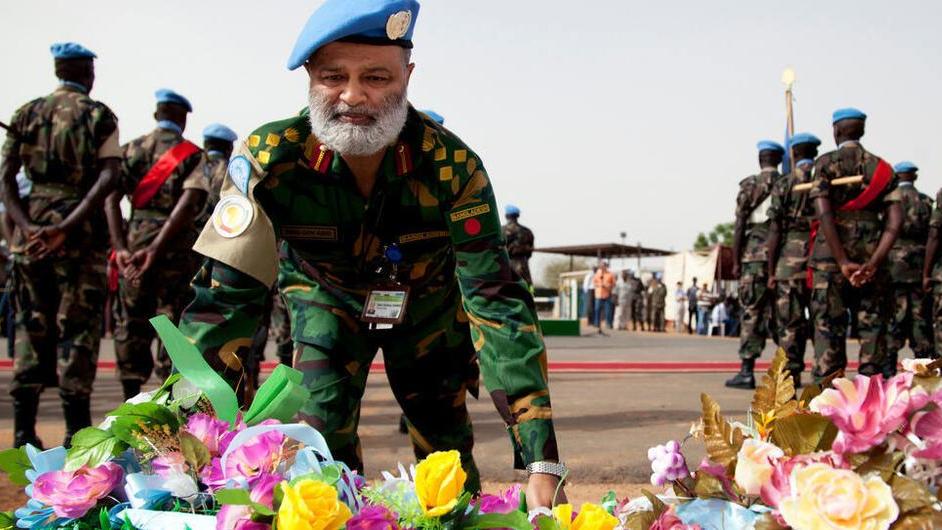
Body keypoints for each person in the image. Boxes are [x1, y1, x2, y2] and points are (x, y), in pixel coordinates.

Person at [177, 0, 564, 506]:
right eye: (333, 76)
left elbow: (496, 304)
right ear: (310, 76)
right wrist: (188, 434)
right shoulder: (271, 160)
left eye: (377, 78)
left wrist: (539, 459)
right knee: (320, 450)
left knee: (446, 460)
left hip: (427, 311)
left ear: (408, 76)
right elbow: (225, 303)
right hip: (324, 301)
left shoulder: (452, 166)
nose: (353, 96)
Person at [1, 42, 122, 447]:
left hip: (29, 238)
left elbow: (5, 179)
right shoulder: (98, 115)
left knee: (29, 326)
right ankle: (75, 433)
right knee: (79, 332)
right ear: (87, 74)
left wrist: (28, 226)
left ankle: (23, 432)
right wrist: (67, 225)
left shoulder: (26, 113)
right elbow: (108, 179)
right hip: (79, 238)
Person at [105, 89, 208, 399]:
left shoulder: (130, 150)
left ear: (155, 114)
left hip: (132, 247)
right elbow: (189, 203)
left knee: (131, 322)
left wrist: (121, 246)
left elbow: (109, 199)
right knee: (174, 327)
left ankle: (130, 395)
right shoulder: (192, 155)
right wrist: (157, 248)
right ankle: (168, 399)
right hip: (174, 253)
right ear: (183, 118)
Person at [808, 108, 902, 382]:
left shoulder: (825, 163)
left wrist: (841, 261)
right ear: (861, 131)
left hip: (830, 260)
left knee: (828, 328)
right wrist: (872, 263)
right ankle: (871, 401)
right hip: (872, 258)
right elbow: (895, 222)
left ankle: (827, 402)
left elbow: (823, 212)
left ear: (836, 131)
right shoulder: (881, 168)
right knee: (872, 329)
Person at [726, 140, 783, 389]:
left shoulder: (749, 186)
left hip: (753, 258)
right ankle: (789, 373)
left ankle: (747, 371)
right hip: (784, 258)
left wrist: (736, 259)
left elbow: (739, 225)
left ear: (761, 160)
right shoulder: (788, 184)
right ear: (779, 161)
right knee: (785, 316)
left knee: (752, 313)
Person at [765, 133, 821, 387]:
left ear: (793, 154)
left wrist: (770, 268)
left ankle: (791, 373)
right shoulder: (825, 181)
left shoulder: (784, 185)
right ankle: (824, 374)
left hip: (788, 262)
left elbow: (775, 229)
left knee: (790, 323)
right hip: (820, 258)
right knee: (823, 321)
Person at [883, 161, 934, 374]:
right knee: (920, 320)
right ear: (914, 177)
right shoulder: (926, 202)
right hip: (919, 268)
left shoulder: (889, 202)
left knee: (893, 320)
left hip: (893, 267)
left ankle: (887, 370)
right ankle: (925, 369)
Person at [194, 123, 237, 229]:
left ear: (205, 144)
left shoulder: (192, 164)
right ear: (230, 148)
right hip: (217, 231)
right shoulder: (234, 171)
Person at [502, 204, 535, 287]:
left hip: (505, 268)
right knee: (527, 290)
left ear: (506, 216)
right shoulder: (527, 232)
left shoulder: (501, 231)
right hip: (523, 267)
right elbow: (530, 252)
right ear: (518, 215)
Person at [593, 260, 616, 333]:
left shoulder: (610, 274)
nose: (603, 267)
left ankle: (608, 324)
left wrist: (608, 285)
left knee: (608, 310)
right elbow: (594, 283)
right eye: (601, 265)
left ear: (606, 266)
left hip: (607, 294)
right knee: (597, 310)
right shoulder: (597, 274)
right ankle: (596, 323)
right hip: (599, 294)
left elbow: (614, 284)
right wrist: (600, 285)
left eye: (604, 265)